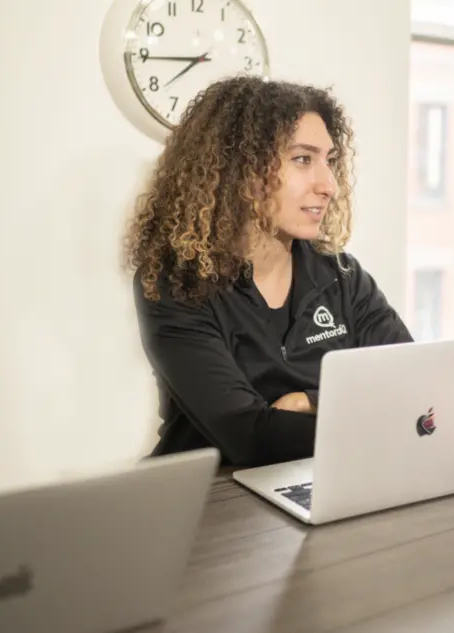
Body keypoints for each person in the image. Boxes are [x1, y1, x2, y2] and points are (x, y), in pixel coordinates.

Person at [125, 76, 412, 467]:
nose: (328, 184)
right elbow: (249, 436)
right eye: (302, 159)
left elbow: (410, 384)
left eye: (328, 160)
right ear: (240, 170)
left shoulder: (342, 275)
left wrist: (310, 401)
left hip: (320, 481)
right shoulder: (175, 284)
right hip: (211, 502)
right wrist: (383, 421)